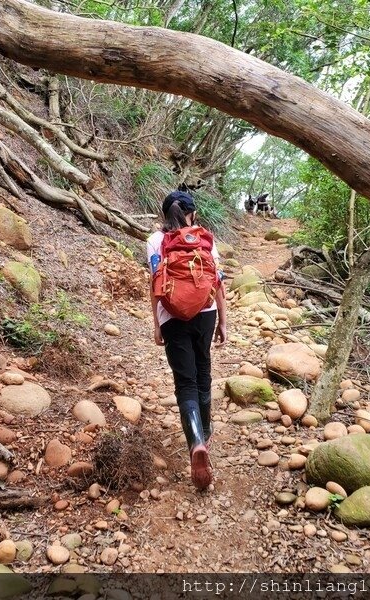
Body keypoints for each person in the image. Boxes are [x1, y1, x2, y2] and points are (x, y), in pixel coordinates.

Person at [147, 190, 227, 490]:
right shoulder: (205, 237)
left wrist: (157, 324)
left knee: (185, 382)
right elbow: (217, 280)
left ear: (165, 214)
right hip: (205, 313)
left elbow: (155, 283)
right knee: (203, 371)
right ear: (192, 213)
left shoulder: (155, 241)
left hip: (172, 316)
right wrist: (223, 320)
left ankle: (195, 443)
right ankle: (205, 432)